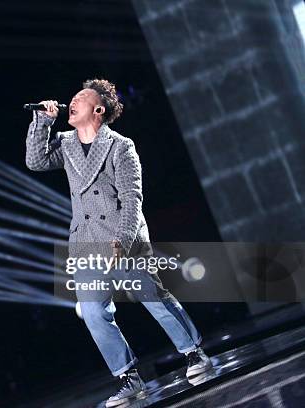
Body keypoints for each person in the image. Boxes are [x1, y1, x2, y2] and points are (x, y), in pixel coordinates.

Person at [25, 78, 211, 407]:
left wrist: (122, 239)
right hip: (85, 244)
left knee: (154, 298)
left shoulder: (121, 147)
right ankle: (128, 376)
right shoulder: (66, 144)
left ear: (97, 109)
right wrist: (43, 120)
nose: (73, 101)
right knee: (95, 313)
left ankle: (194, 353)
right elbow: (36, 161)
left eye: (80, 98)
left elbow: (131, 198)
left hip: (120, 238)